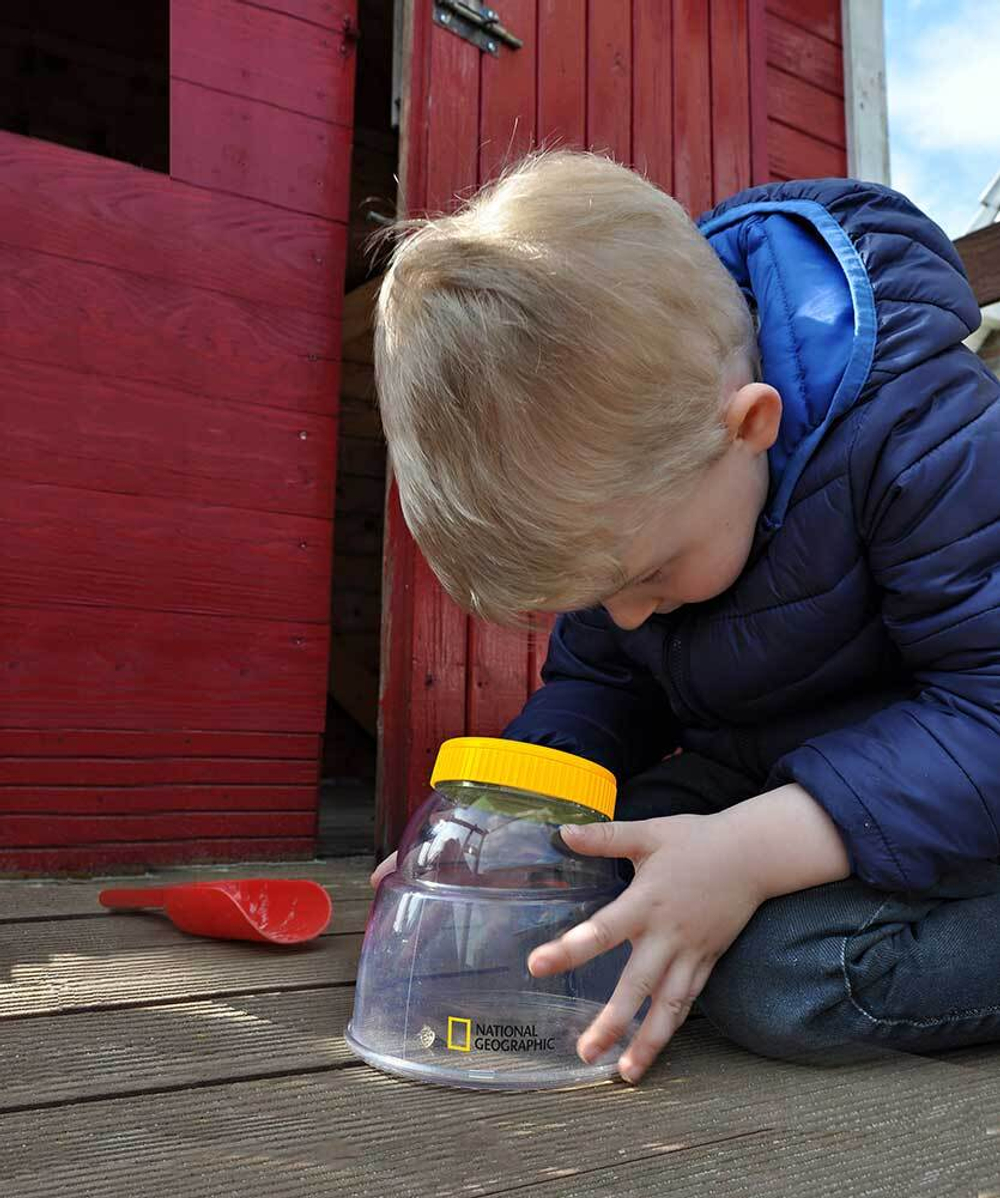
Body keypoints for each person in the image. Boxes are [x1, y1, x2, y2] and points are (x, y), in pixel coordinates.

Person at [369, 150, 1000, 1081]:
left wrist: (748, 853)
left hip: (955, 793)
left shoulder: (923, 438)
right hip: (769, 780)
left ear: (752, 426)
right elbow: (602, 683)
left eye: (651, 576)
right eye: (595, 598)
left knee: (780, 974)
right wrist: (503, 835)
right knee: (587, 888)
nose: (626, 616)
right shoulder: (650, 488)